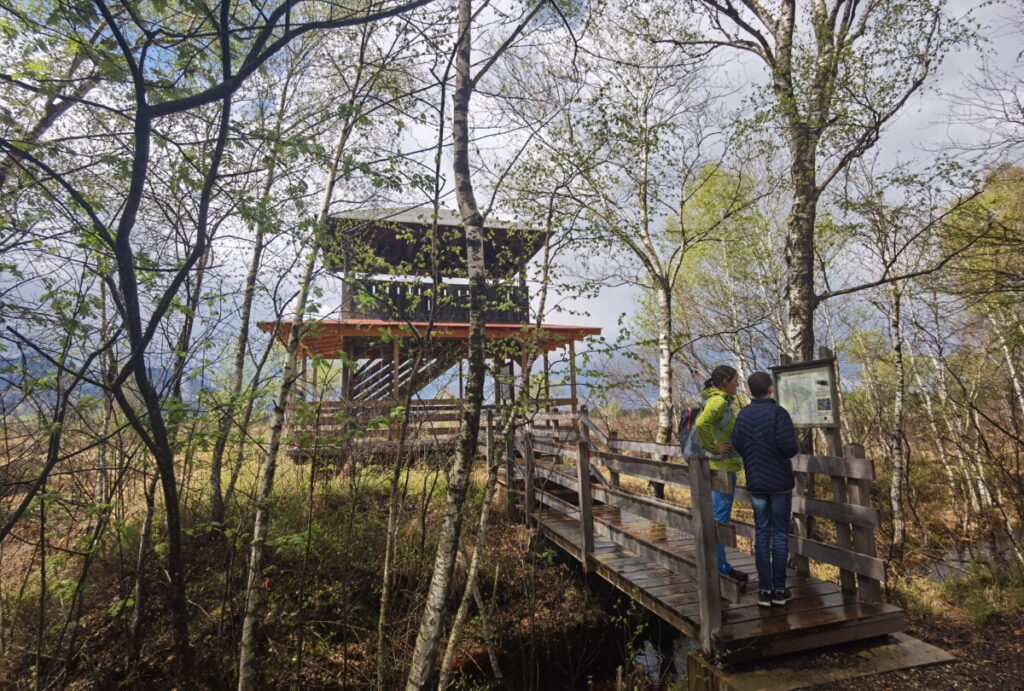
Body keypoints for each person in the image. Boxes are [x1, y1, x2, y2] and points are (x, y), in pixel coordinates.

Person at [731, 371, 800, 607]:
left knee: (762, 533)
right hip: (780, 482)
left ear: (750, 391)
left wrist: (754, 456)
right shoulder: (778, 413)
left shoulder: (744, 414)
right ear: (770, 388)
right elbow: (790, 448)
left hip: (757, 482)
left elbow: (738, 442)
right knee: (779, 535)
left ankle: (764, 590)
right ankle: (780, 590)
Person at [694, 365, 746, 584]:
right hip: (722, 469)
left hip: (723, 468)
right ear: (725, 382)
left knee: (718, 518)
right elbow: (701, 423)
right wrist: (715, 449)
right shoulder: (718, 401)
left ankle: (720, 566)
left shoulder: (718, 400)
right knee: (719, 520)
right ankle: (720, 570)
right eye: (735, 380)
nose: (737, 385)